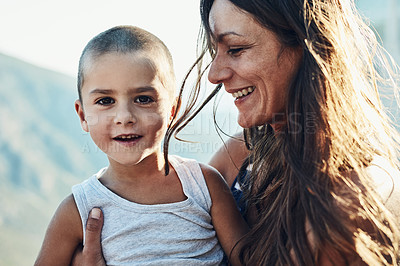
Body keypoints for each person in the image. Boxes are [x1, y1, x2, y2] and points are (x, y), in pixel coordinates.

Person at [73, 0, 400, 265]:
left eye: (236, 49)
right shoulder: (240, 155)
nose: (215, 74)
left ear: (306, 46)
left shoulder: (358, 200)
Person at [34, 25, 248, 266]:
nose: (124, 116)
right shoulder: (78, 210)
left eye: (143, 99)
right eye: (105, 101)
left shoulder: (205, 185)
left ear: (172, 111)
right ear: (83, 116)